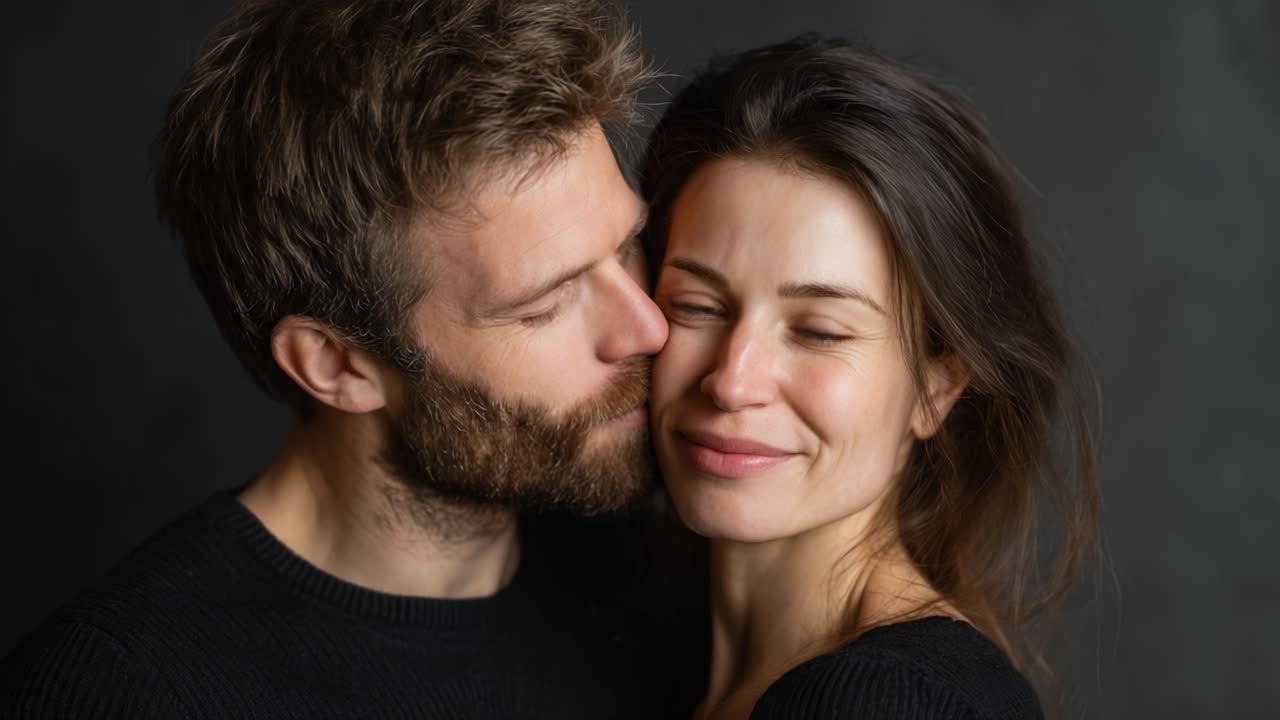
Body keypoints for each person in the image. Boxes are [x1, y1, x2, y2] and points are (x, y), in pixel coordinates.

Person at [0, 1, 697, 718]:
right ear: (336, 364)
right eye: (545, 303)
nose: (648, 327)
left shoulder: (666, 586)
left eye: (626, 248)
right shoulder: (120, 690)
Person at [640, 36, 1101, 719]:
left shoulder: (882, 703)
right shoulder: (632, 652)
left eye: (819, 331)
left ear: (934, 391)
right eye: (697, 307)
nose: (732, 382)